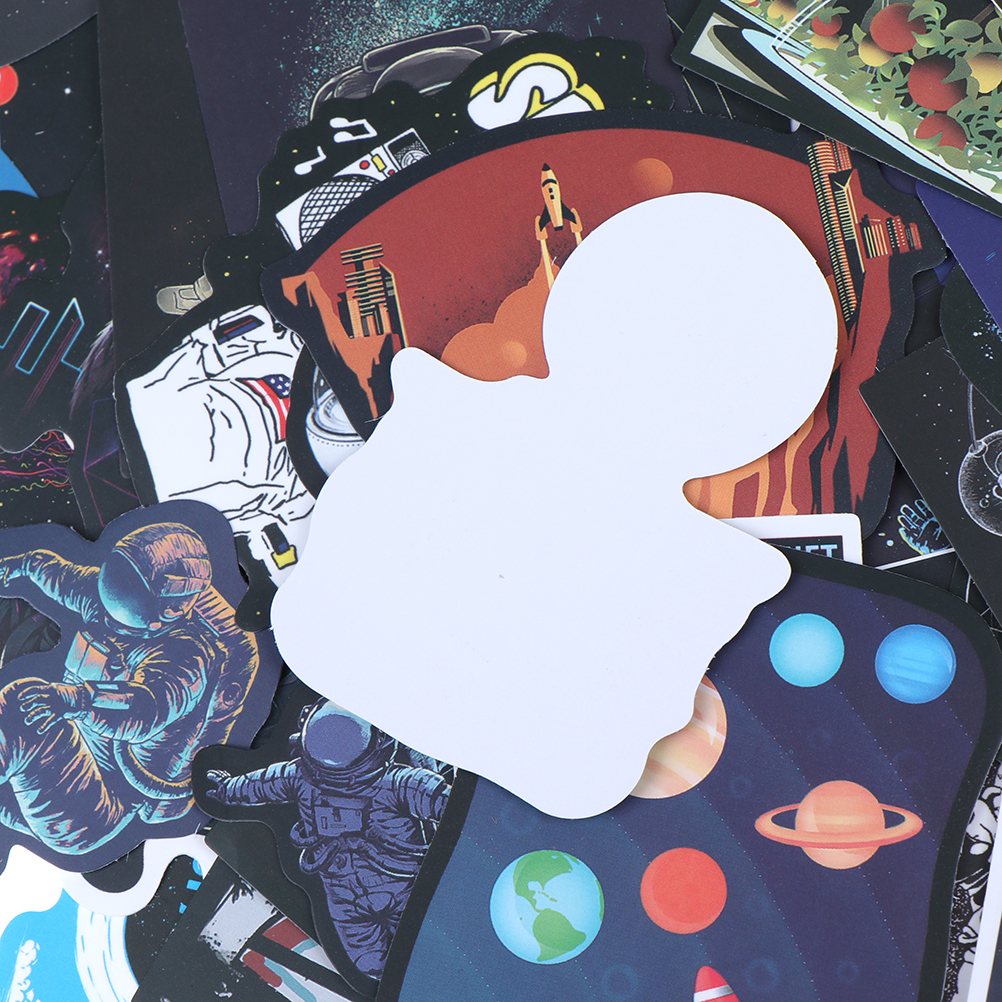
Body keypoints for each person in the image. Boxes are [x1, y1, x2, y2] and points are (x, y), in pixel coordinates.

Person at [0, 522, 260, 856]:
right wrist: (20, 565)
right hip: (43, 782)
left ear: (172, 608)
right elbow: (59, 575)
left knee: (26, 703)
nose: (111, 618)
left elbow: (146, 707)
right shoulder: (102, 600)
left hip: (95, 811)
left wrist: (80, 700)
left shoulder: (185, 654)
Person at [205, 701, 451, 979]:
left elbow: (445, 803)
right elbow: (262, 784)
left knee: (421, 950)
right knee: (371, 963)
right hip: (343, 893)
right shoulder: (305, 777)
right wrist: (228, 789)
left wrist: (228, 789)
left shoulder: (397, 784)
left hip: (401, 885)